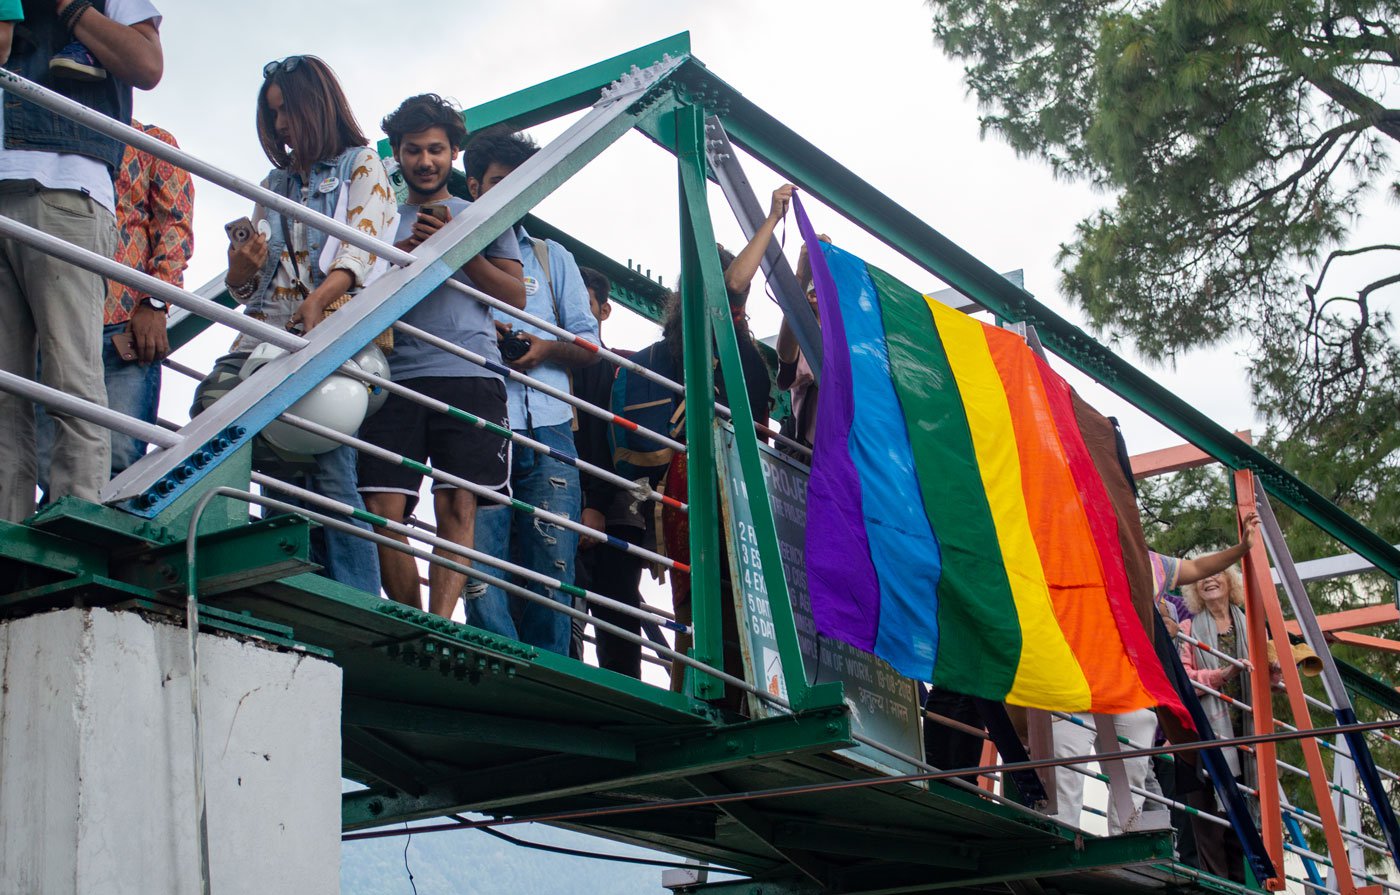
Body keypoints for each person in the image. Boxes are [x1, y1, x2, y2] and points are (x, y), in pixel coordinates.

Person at [218, 55, 394, 595]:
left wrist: (317, 302)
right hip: (268, 334)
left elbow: (363, 252)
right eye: (272, 116)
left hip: (333, 332)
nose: (280, 126)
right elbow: (253, 285)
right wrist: (239, 271)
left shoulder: (361, 164)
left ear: (314, 106)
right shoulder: (275, 182)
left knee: (329, 468)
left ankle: (357, 597)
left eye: (286, 112)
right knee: (217, 421)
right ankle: (282, 580)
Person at [358, 94, 524, 619]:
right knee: (383, 512)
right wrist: (402, 258)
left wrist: (457, 248)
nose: (424, 161)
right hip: (395, 375)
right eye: (412, 150)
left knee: (458, 505)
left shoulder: (483, 213)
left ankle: (437, 623)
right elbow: (354, 290)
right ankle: (410, 618)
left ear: (455, 153)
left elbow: (514, 297)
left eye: (435, 149)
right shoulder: (379, 216)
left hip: (467, 371)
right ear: (398, 153)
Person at [0, 0, 163, 522]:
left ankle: (76, 522)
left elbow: (147, 65)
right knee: (6, 391)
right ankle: (10, 530)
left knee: (72, 372)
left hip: (66, 184)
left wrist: (70, 9)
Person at [463, 126, 600, 653]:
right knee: (480, 562)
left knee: (552, 563)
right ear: (474, 186)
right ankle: (495, 659)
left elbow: (590, 344)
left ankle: (550, 669)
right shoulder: (450, 248)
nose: (509, 192)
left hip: (548, 423)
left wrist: (542, 349)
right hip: (479, 417)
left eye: (520, 183)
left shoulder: (550, 256)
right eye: (498, 182)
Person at [1050, 512, 1262, 835]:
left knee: (1139, 737)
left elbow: (1199, 568)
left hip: (1122, 685)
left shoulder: (1151, 564)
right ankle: (1059, 837)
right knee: (1066, 765)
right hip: (1075, 680)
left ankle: (1125, 840)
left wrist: (1242, 547)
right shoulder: (1076, 550)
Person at [36, 119, 192, 489]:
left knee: (119, 463)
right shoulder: (48, 133)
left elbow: (175, 226)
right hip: (53, 317)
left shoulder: (153, 142)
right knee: (50, 462)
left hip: (123, 322)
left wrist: (155, 302)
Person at [1179, 517, 1279, 883]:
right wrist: (1219, 677)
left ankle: (1243, 885)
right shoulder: (1190, 629)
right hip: (1210, 733)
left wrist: (1278, 674)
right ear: (1195, 589)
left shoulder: (1250, 623)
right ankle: (1217, 885)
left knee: (1244, 822)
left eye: (1216, 574)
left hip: (1247, 730)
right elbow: (1185, 679)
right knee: (1211, 821)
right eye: (1202, 577)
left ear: (1229, 581)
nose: (1208, 579)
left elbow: (1268, 671)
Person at [570, 266, 648, 676]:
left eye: (585, 303)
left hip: (613, 505)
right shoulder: (560, 361)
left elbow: (602, 440)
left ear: (605, 311)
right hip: (575, 494)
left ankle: (623, 686)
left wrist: (595, 503)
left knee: (616, 601)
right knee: (568, 595)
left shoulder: (614, 369)